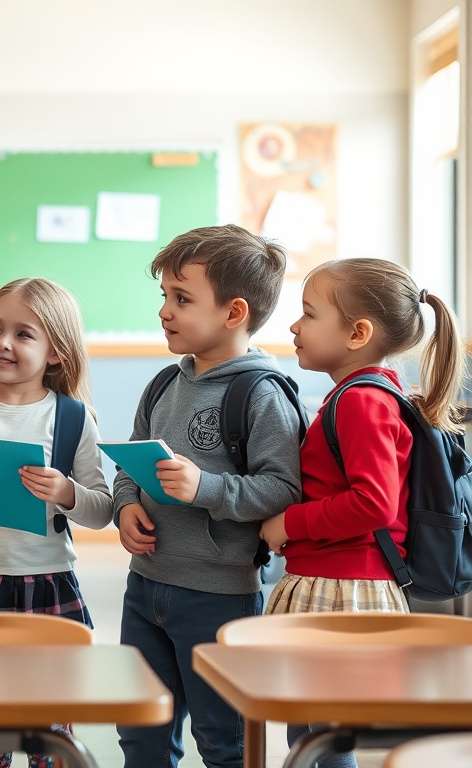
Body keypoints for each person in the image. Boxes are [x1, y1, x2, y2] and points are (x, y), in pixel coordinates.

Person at [259, 258, 466, 768]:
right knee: (313, 737)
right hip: (334, 582)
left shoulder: (361, 403)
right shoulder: (359, 396)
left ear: (357, 333)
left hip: (345, 588)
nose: (293, 326)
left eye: (307, 314)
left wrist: (290, 523)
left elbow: (372, 502)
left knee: (323, 740)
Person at [113, 224, 303, 768]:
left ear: (233, 312)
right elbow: (132, 460)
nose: (165, 311)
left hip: (219, 597)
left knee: (224, 740)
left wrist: (207, 488)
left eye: (182, 298)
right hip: (145, 588)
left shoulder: (262, 394)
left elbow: (283, 488)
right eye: (164, 297)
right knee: (142, 734)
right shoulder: (163, 385)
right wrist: (127, 504)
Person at [0, 277, 113, 768]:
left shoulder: (73, 418)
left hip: (48, 583)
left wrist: (67, 492)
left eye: (24, 334)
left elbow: (101, 510)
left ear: (56, 353)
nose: (3, 342)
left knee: (51, 721)